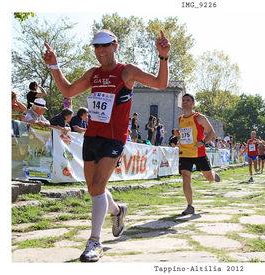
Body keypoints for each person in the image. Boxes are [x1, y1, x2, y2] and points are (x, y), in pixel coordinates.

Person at [42, 28, 170, 262]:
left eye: (105, 46)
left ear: (115, 47)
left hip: (114, 138)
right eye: (96, 46)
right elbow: (68, 90)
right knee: (94, 189)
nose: (100, 51)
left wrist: (163, 57)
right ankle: (117, 211)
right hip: (92, 136)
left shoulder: (127, 72)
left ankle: (94, 242)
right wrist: (54, 66)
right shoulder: (93, 74)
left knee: (99, 184)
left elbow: (161, 84)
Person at [176, 93, 220, 215]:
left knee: (209, 178)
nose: (185, 102)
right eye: (183, 100)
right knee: (185, 176)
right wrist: (178, 134)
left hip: (199, 152)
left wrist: (204, 142)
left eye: (188, 100)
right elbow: (187, 134)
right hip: (184, 152)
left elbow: (211, 132)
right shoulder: (180, 119)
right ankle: (190, 206)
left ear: (193, 103)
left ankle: (213, 174)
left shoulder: (199, 117)